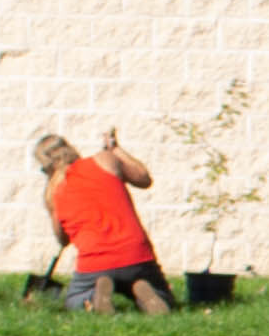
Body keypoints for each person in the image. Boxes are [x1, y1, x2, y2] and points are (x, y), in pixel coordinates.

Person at [36, 128, 174, 314]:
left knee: (74, 301)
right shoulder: (104, 160)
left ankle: (92, 299)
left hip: (94, 263)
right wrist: (115, 149)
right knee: (164, 296)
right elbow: (144, 179)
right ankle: (141, 289)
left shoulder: (52, 191)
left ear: (45, 166)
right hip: (136, 255)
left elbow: (63, 240)